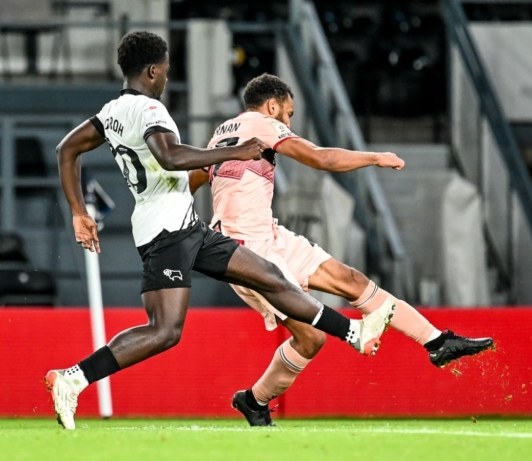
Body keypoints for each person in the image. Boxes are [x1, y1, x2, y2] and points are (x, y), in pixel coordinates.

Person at [44, 32, 394, 430]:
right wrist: (235, 151)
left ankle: (353, 331)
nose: (166, 79)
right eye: (166, 71)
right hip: (169, 230)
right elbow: (170, 156)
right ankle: (74, 378)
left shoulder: (111, 112)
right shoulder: (148, 109)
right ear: (154, 70)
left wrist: (77, 211)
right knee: (164, 331)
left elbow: (66, 150)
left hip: (178, 225)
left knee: (270, 276)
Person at [190, 73, 493, 427]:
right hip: (248, 253)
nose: (289, 123)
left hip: (270, 236)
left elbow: (194, 177)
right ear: (272, 106)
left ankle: (437, 342)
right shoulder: (262, 123)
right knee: (311, 338)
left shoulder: (222, 133)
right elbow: (322, 159)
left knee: (350, 280)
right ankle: (255, 400)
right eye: (288, 114)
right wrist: (375, 157)